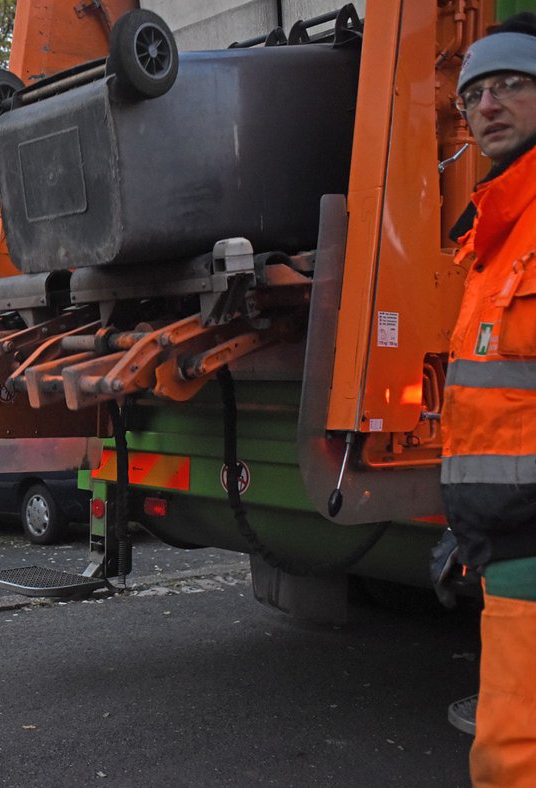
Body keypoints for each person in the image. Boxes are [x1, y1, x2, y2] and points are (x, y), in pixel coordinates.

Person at [440, 12, 536, 787]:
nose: (490, 104)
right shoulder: (493, 235)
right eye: (476, 93)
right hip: (504, 542)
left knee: (516, 757)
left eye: (512, 84)